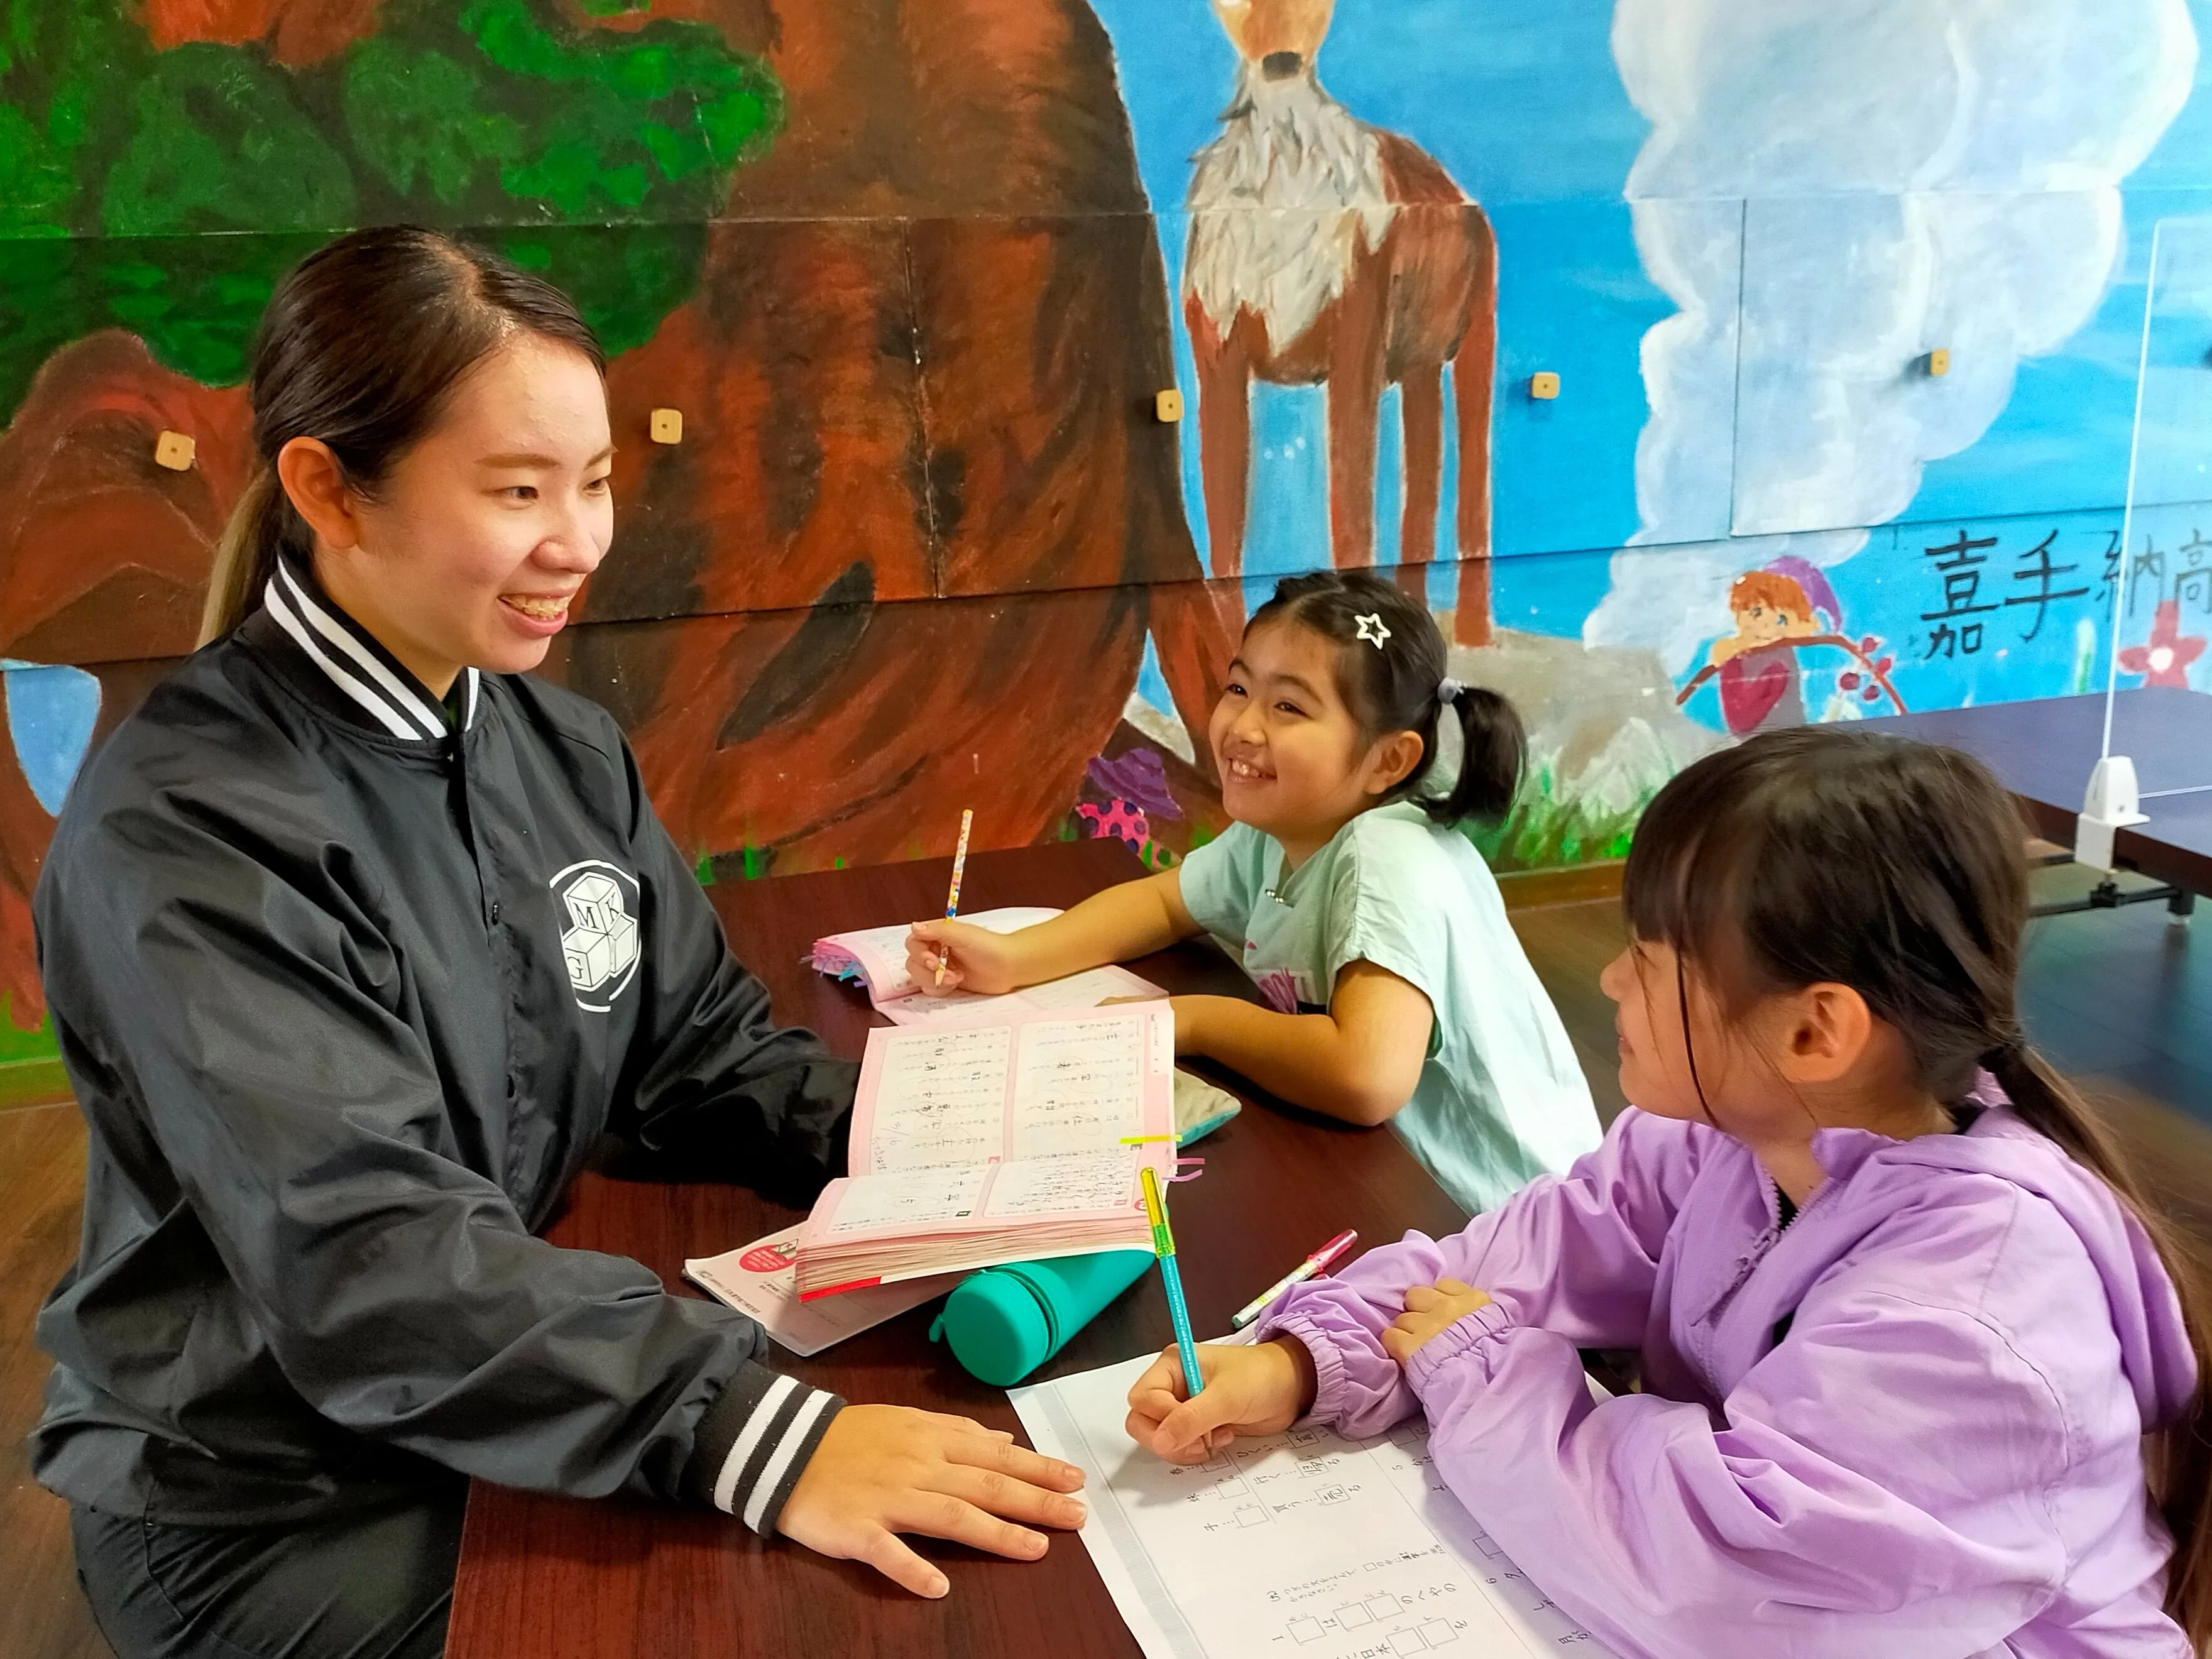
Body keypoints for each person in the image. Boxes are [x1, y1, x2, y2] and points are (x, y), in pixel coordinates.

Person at [31, 226, 1083, 1659]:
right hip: (272, 1498)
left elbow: (693, 1052)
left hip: (484, 1388)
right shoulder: (192, 828)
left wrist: (953, 1148)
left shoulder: (549, 742)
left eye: (591, 483)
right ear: (327, 489)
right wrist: (747, 1429)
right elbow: (365, 1253)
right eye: (518, 490)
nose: (578, 541)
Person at [1124, 727, 2211, 1658]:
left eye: (1648, 956)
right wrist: (1306, 1359)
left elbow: (1718, 1579)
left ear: (1814, 1030)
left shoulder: (1973, 1315)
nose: (1609, 979)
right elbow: (1499, 1266)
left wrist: (1485, 1368)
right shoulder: (1730, 1139)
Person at [908, 571, 1601, 1217]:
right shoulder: (1282, 829)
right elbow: (1163, 905)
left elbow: (1364, 1075)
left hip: (1511, 1227)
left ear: (1389, 760)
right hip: (1397, 1187)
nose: (1241, 727)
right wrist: (1011, 959)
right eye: (1239, 689)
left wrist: (1190, 1022)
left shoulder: (1387, 856)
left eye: (1289, 707)